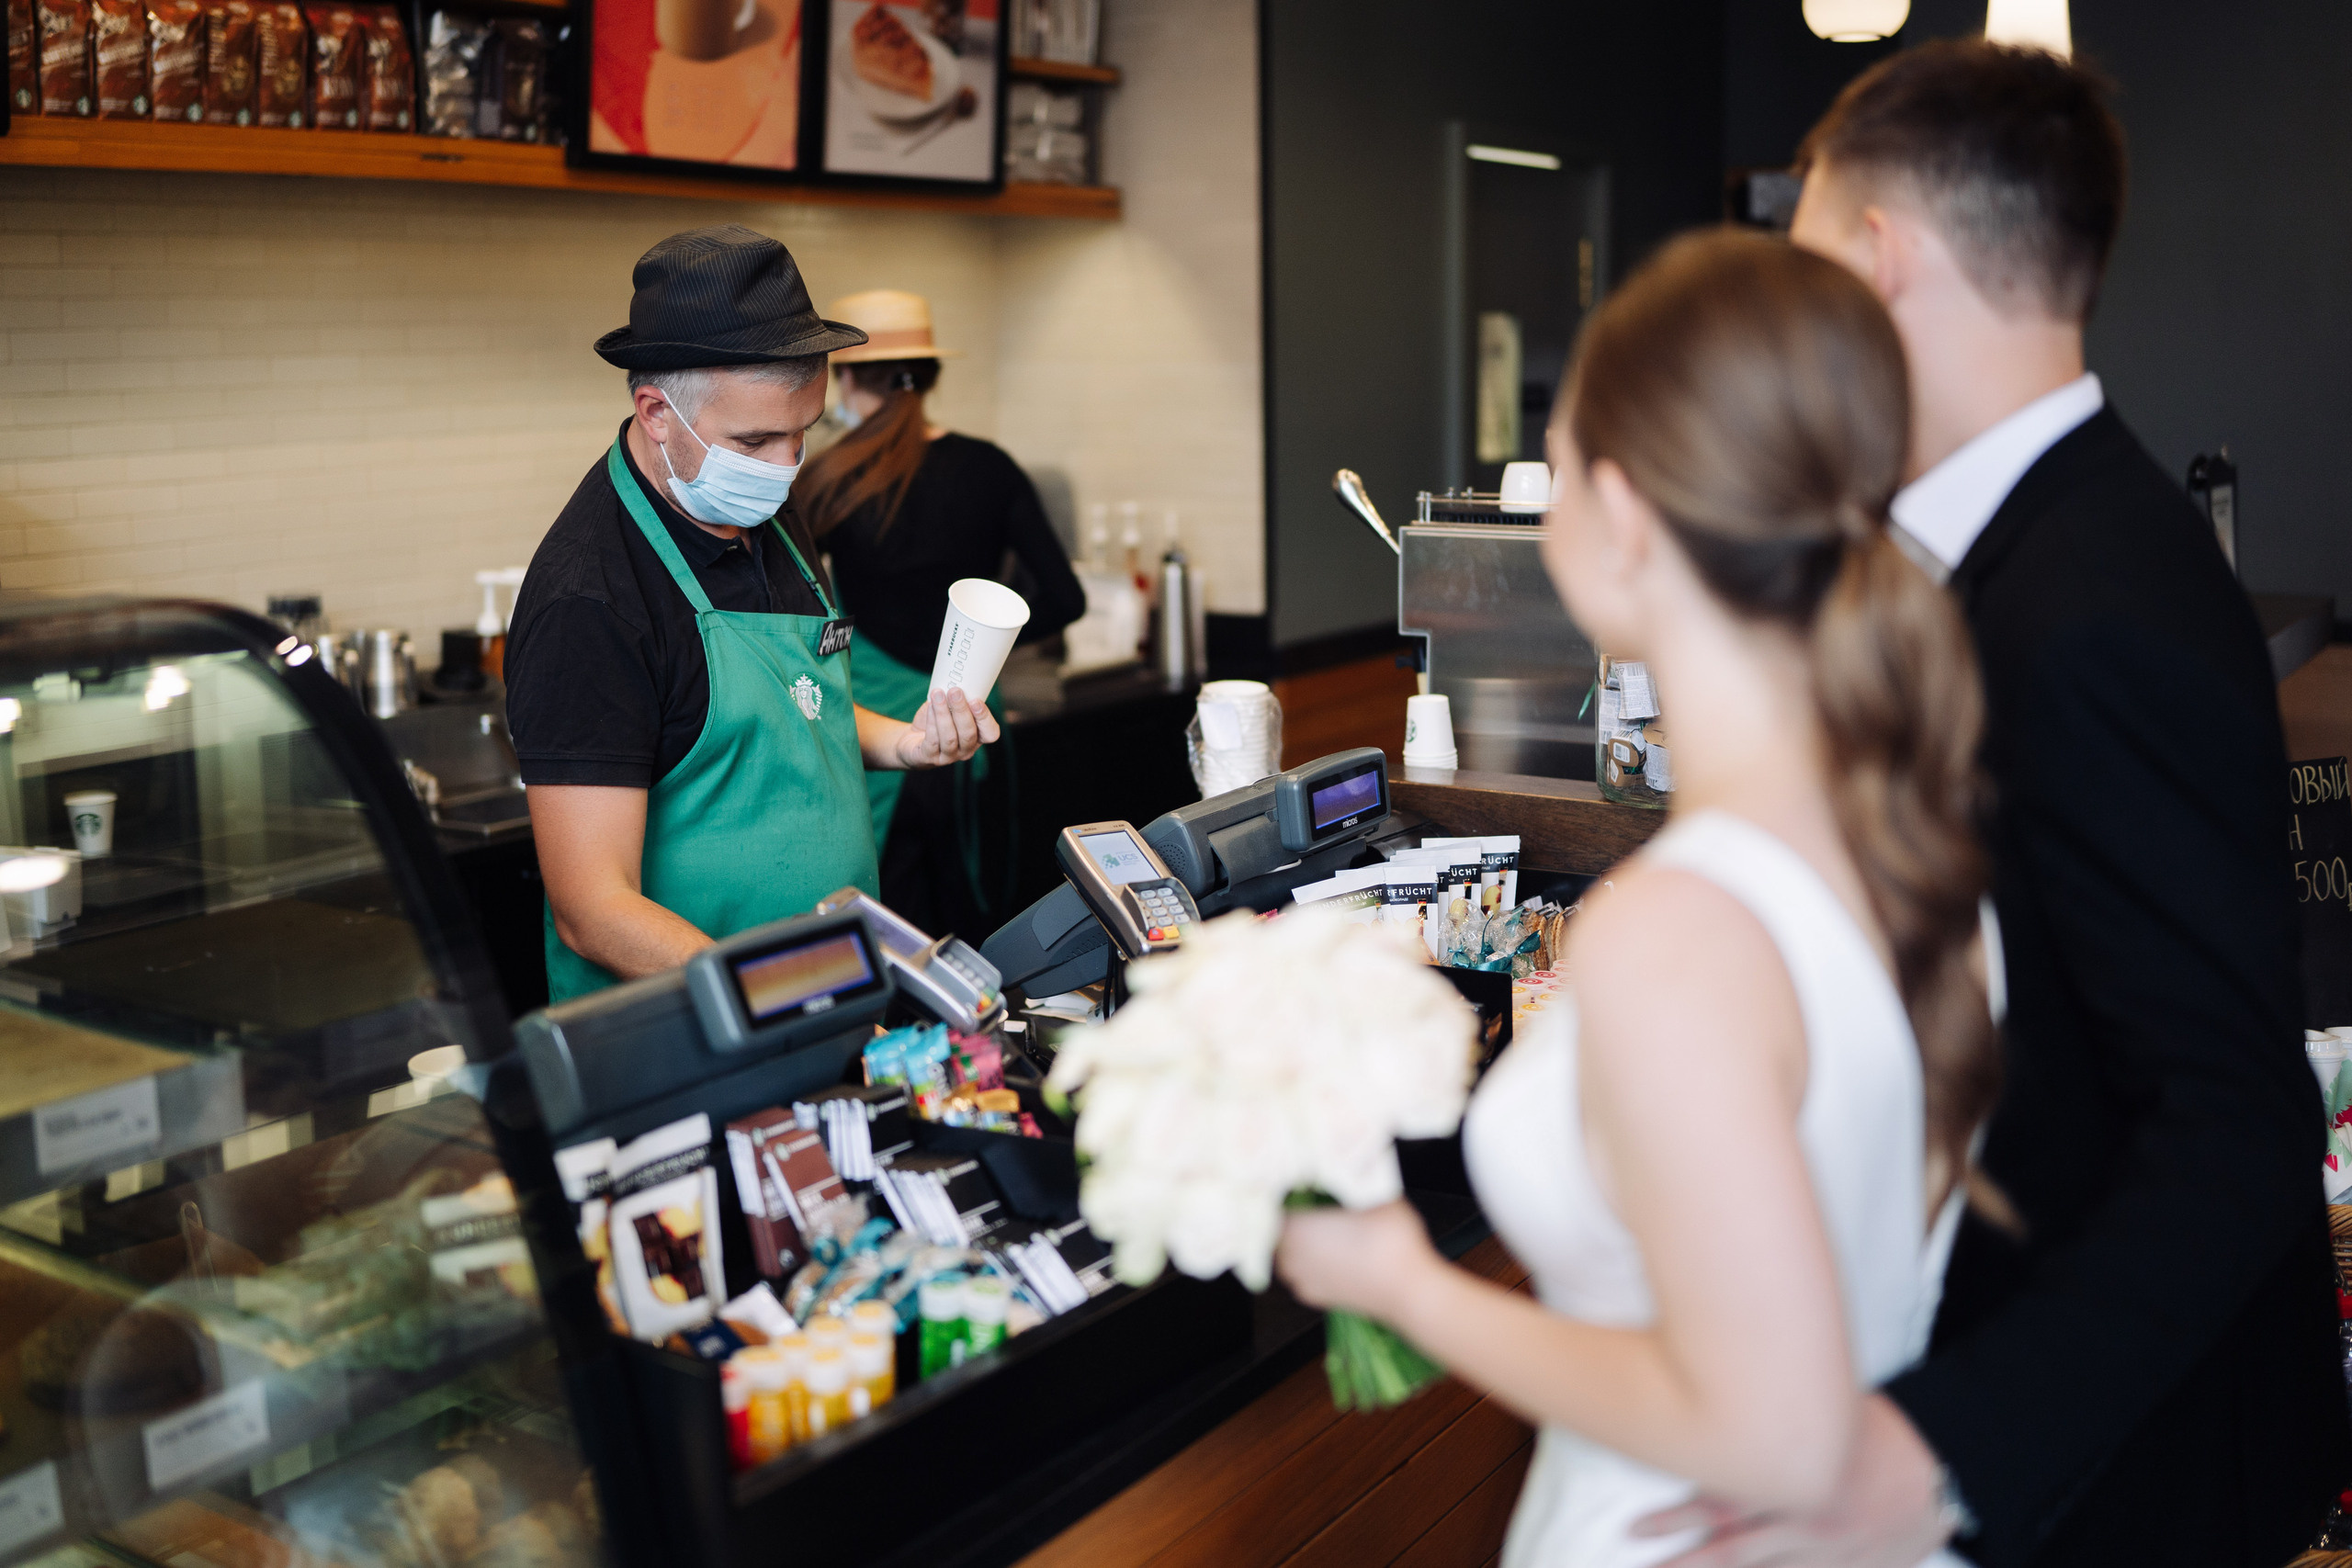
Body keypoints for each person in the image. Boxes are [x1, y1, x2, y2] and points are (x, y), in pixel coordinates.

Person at [1639, 42, 2352, 1568]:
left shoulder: (2089, 609)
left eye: (1807, 265)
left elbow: (2234, 1125)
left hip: (2136, 1467)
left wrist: (1940, 1450)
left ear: (1880, 258)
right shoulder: (2041, 541)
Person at [1276, 230, 1997, 1568]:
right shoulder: (1910, 838)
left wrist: (1403, 1285)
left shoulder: (1678, 923)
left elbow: (1776, 1435)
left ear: (1619, 511)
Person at [505, 227, 998, 1003]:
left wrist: (906, 742)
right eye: (756, 439)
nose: (784, 467)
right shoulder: (589, 601)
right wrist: (786, 993)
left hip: (831, 998)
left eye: (802, 433)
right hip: (693, 1035)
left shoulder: (760, 506)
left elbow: (795, 706)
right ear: (657, 412)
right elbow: (593, 911)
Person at [795, 288, 1085, 940]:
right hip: (971, 730)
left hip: (874, 744)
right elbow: (1067, 598)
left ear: (847, 380)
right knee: (975, 924)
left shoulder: (830, 476)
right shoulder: (990, 468)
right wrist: (984, 650)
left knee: (884, 932)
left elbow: (795, 611)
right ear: (930, 375)